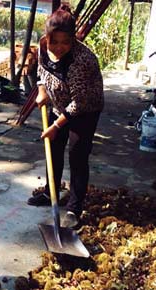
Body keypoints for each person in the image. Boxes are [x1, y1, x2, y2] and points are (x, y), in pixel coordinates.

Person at [27, 5, 104, 229]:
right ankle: (52, 193)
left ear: (73, 39)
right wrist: (41, 90)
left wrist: (56, 125)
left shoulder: (82, 60)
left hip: (85, 108)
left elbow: (79, 102)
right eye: (55, 42)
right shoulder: (43, 46)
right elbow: (41, 71)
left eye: (65, 42)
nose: (59, 48)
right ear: (47, 38)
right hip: (59, 103)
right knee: (54, 151)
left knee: (78, 156)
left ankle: (74, 208)